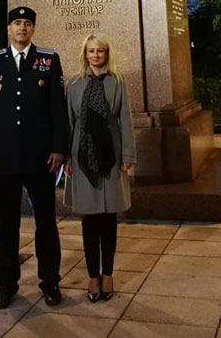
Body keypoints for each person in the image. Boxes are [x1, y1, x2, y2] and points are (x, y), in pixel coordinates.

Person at [0, 6, 69, 309]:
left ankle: (50, 281)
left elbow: (58, 108)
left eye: (27, 23)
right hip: (4, 158)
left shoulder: (48, 60)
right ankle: (6, 284)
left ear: (33, 29)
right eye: (17, 23)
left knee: (46, 223)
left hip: (40, 157)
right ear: (9, 28)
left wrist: (59, 148)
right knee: (6, 224)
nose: (22, 28)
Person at [64, 34, 136, 302]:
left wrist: (127, 154)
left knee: (109, 220)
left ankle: (108, 274)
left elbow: (125, 119)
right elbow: (69, 123)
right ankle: (92, 276)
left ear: (107, 53)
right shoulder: (74, 84)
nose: (96, 55)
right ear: (85, 54)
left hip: (111, 155)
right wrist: (67, 158)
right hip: (83, 157)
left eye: (101, 51)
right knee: (89, 220)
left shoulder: (117, 81)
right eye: (91, 51)